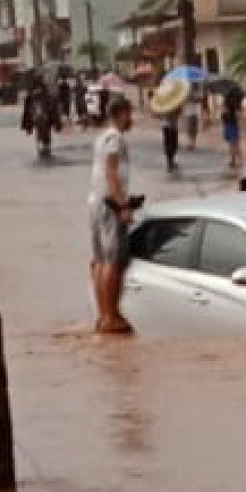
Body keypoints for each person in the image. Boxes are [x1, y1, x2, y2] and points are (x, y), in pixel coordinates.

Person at [89, 96, 139, 335]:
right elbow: (112, 174)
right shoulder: (115, 140)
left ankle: (105, 314)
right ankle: (110, 315)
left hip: (96, 202)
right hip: (110, 204)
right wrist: (123, 206)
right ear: (121, 114)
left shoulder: (102, 137)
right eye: (130, 114)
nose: (132, 119)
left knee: (100, 259)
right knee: (112, 261)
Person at [21, 79, 56, 159]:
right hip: (40, 118)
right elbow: (27, 112)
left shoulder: (44, 97)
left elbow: (52, 108)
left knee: (44, 133)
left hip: (43, 118)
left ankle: (44, 147)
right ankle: (44, 148)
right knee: (42, 133)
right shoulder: (33, 98)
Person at [220, 82, 246, 172]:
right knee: (232, 143)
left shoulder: (232, 102)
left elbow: (236, 113)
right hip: (228, 124)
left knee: (234, 142)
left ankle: (238, 159)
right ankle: (233, 159)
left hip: (231, 124)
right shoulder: (227, 101)